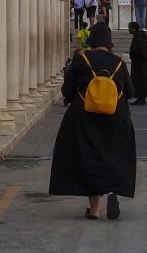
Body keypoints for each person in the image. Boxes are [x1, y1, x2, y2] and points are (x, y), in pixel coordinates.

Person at [49, 22, 138, 221]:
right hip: (115, 117)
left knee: (88, 158)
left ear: (92, 39)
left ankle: (95, 209)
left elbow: (67, 91)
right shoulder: (118, 63)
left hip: (85, 118)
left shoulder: (81, 61)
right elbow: (131, 92)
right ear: (109, 42)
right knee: (115, 154)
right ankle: (114, 190)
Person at [127, 20, 147, 105]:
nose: (128, 30)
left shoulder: (138, 37)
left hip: (139, 62)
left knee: (140, 79)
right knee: (140, 79)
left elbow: (141, 48)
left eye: (129, 28)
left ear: (133, 28)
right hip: (139, 62)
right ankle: (140, 97)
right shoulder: (138, 36)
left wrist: (146, 56)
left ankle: (141, 98)